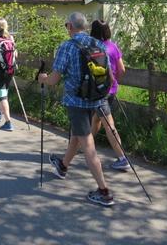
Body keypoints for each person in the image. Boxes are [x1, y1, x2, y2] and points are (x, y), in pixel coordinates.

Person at [38, 12, 114, 207]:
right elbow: (110, 77)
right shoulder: (99, 44)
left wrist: (43, 78)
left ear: (70, 26)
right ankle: (63, 166)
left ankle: (104, 192)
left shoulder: (67, 46)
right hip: (97, 98)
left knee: (88, 144)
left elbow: (54, 80)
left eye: (66, 26)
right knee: (77, 136)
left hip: (76, 102)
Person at [90, 19, 129, 171]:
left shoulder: (94, 48)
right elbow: (122, 69)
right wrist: (114, 82)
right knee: (96, 120)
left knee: (108, 124)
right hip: (112, 90)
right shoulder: (113, 46)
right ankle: (85, 145)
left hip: (99, 92)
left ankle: (122, 158)